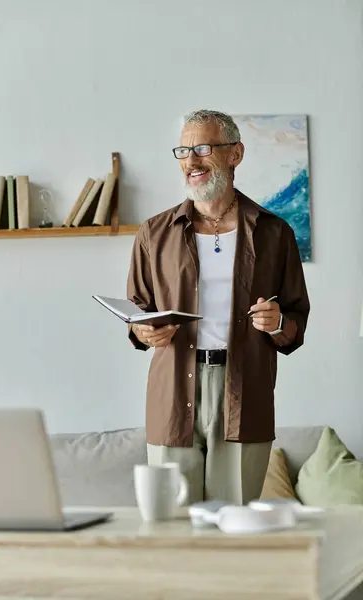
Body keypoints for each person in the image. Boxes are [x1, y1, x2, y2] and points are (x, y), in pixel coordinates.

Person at [127, 109, 310, 505]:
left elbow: (296, 319)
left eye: (203, 148)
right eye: (183, 150)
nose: (191, 161)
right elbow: (137, 310)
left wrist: (278, 322)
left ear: (235, 154)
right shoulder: (153, 234)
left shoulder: (276, 233)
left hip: (245, 392)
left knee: (235, 526)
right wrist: (143, 330)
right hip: (173, 391)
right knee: (172, 527)